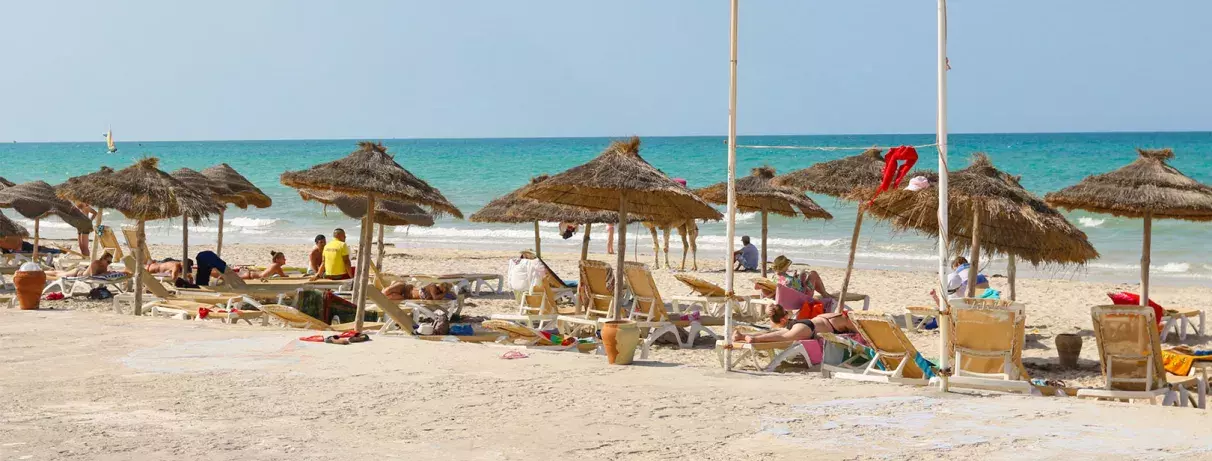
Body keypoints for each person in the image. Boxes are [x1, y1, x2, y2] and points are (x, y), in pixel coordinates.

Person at [733, 310, 856, 344]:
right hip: (810, 328)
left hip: (803, 322)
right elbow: (857, 333)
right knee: (785, 336)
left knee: (779, 332)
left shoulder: (834, 314)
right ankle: (755, 339)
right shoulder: (846, 320)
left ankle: (742, 336)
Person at [382, 281, 452, 301]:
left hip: (404, 296)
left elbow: (454, 296)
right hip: (405, 288)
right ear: (441, 285)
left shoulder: (439, 293)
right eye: (440, 289)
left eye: (441, 291)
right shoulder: (433, 286)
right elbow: (435, 298)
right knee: (386, 292)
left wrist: (445, 293)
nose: (439, 291)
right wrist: (445, 293)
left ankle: (384, 289)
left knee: (385, 298)